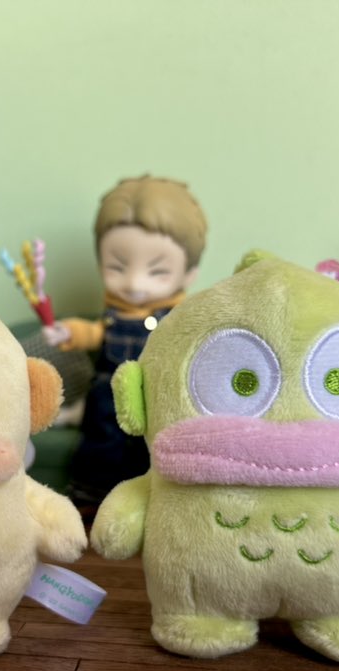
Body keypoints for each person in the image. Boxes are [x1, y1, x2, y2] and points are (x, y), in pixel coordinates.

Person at [43, 175, 206, 510]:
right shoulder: (114, 316)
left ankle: (155, 493)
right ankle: (92, 491)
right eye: (117, 267)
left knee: (155, 441)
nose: (134, 283)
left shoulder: (181, 318)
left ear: (189, 274)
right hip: (109, 400)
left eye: (157, 271)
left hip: (157, 398)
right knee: (102, 432)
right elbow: (94, 333)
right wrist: (68, 332)